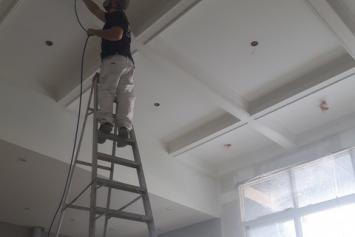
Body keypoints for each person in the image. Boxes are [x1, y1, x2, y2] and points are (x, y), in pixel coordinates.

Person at [83, 0, 134, 146]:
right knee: (126, 94)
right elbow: (95, 10)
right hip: (127, 63)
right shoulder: (118, 18)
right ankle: (124, 127)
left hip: (114, 59)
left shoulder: (117, 16)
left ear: (115, 4)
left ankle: (106, 123)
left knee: (107, 90)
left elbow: (117, 35)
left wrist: (95, 32)